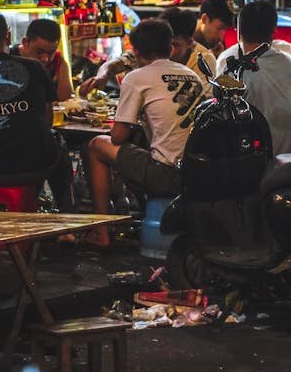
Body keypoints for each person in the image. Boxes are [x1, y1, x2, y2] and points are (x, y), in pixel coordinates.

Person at [86, 19, 203, 244]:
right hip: (197, 171)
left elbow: (118, 137)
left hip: (168, 175)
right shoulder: (191, 74)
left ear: (136, 51)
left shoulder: (136, 78)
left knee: (95, 146)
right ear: (170, 48)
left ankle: (100, 232)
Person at [0, 10, 69, 209]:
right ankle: (68, 219)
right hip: (36, 166)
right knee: (59, 148)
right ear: (8, 36)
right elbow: (46, 119)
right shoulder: (35, 68)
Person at [216, 1, 291, 155]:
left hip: (252, 160)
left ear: (239, 31)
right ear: (273, 32)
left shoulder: (226, 60)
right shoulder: (288, 62)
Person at [78, 7, 217, 96]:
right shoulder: (154, 47)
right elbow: (114, 64)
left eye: (176, 45)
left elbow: (204, 102)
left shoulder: (205, 61)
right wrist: (102, 77)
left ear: (190, 43)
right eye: (168, 44)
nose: (170, 51)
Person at [10, 18, 73, 101]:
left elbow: (65, 103)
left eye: (51, 52)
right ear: (25, 42)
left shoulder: (57, 63)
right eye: (39, 52)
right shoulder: (9, 60)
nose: (45, 59)